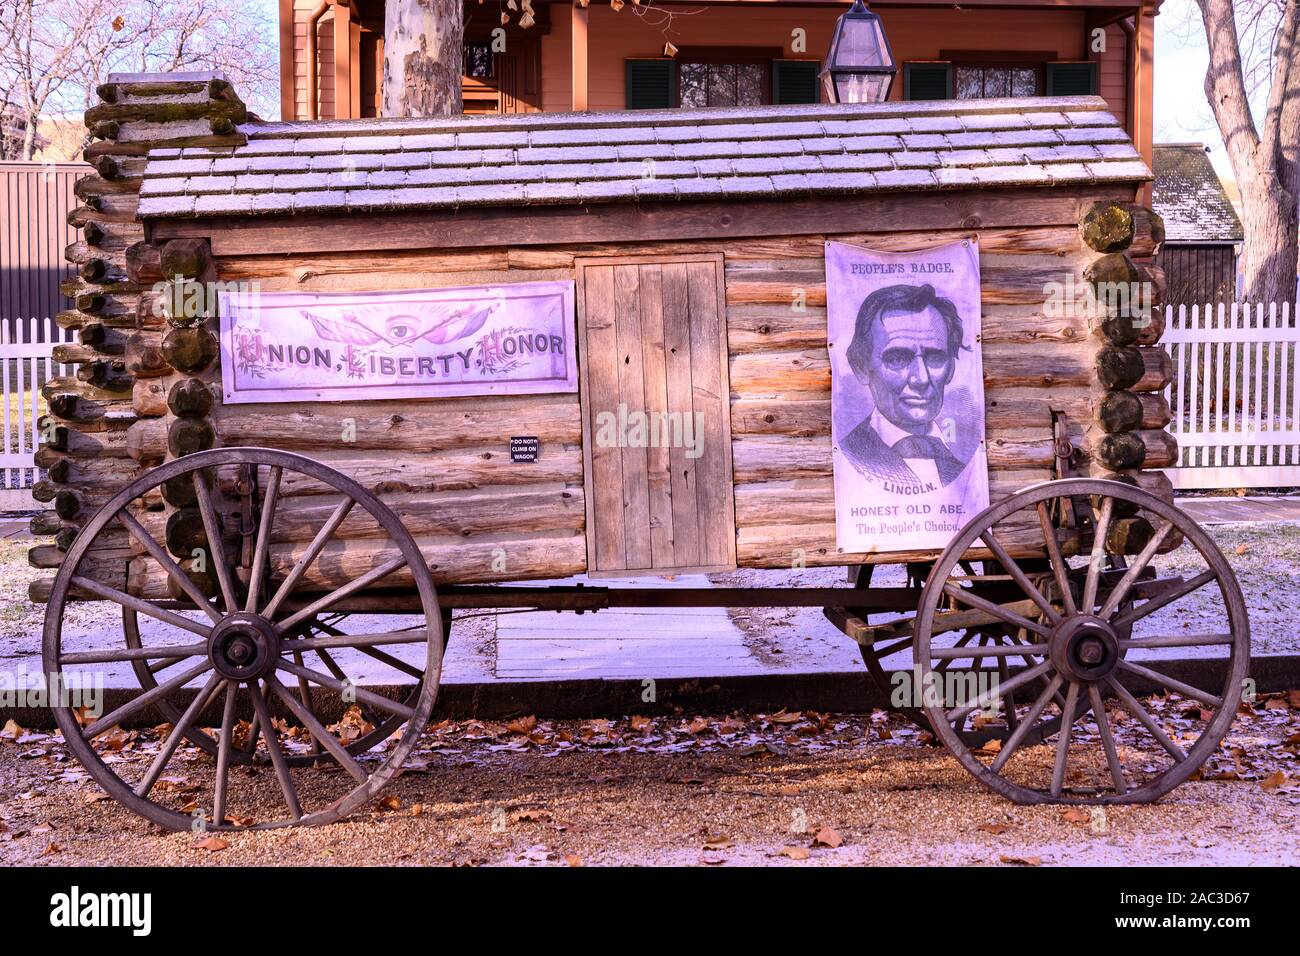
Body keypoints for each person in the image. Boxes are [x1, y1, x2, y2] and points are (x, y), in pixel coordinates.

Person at [839, 282, 971, 491]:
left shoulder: (961, 469)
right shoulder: (849, 454)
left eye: (935, 358)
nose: (921, 379)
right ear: (861, 367)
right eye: (897, 359)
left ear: (951, 369)